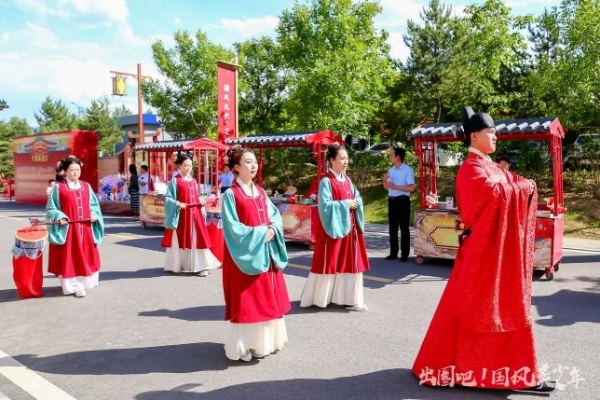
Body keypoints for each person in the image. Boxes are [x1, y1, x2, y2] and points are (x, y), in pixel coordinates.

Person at [412, 107, 555, 394]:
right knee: (489, 307)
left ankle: (475, 369)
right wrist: (524, 187)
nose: (496, 138)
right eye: (491, 133)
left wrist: (523, 185)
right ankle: (502, 373)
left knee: (475, 307)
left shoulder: (490, 165)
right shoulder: (471, 169)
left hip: (494, 252)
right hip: (485, 253)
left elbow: (510, 185)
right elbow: (495, 194)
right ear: (474, 136)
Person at [221, 147, 291, 362]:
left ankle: (266, 343)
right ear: (236, 168)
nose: (253, 166)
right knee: (248, 301)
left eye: (254, 162)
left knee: (266, 297)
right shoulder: (231, 195)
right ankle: (245, 345)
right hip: (244, 256)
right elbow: (233, 229)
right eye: (247, 162)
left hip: (265, 254)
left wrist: (273, 229)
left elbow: (275, 216)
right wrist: (262, 232)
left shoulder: (260, 192)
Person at [300, 143, 370, 312]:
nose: (345, 161)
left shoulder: (347, 180)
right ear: (332, 160)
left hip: (351, 229)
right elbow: (324, 206)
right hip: (335, 228)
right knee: (331, 262)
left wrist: (355, 203)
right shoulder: (326, 181)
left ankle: (352, 299)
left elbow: (357, 198)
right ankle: (321, 298)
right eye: (342, 158)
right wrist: (346, 203)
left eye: (346, 158)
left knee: (352, 263)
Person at [46, 155, 104, 298]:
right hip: (68, 230)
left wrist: (93, 213)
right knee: (69, 258)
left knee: (86, 255)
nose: (75, 173)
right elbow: (51, 209)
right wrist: (60, 216)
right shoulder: (58, 188)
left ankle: (86, 283)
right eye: (72, 170)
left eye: (77, 170)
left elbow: (94, 205)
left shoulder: (86, 186)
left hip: (85, 229)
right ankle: (72, 287)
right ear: (65, 171)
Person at [162, 153, 220, 276]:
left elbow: (195, 196)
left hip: (195, 215)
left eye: (190, 165)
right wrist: (178, 203)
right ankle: (179, 264)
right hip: (182, 216)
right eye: (185, 165)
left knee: (198, 239)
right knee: (182, 240)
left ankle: (199, 266)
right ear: (179, 166)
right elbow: (168, 199)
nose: (188, 168)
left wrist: (201, 200)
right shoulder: (175, 181)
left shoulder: (193, 181)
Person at [383, 147, 415, 262]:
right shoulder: (391, 170)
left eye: (392, 155)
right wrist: (384, 180)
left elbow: (411, 187)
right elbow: (387, 187)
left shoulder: (407, 170)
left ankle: (405, 254)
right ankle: (393, 252)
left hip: (402, 201)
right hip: (392, 200)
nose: (390, 157)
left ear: (398, 157)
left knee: (404, 227)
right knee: (392, 227)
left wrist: (395, 187)